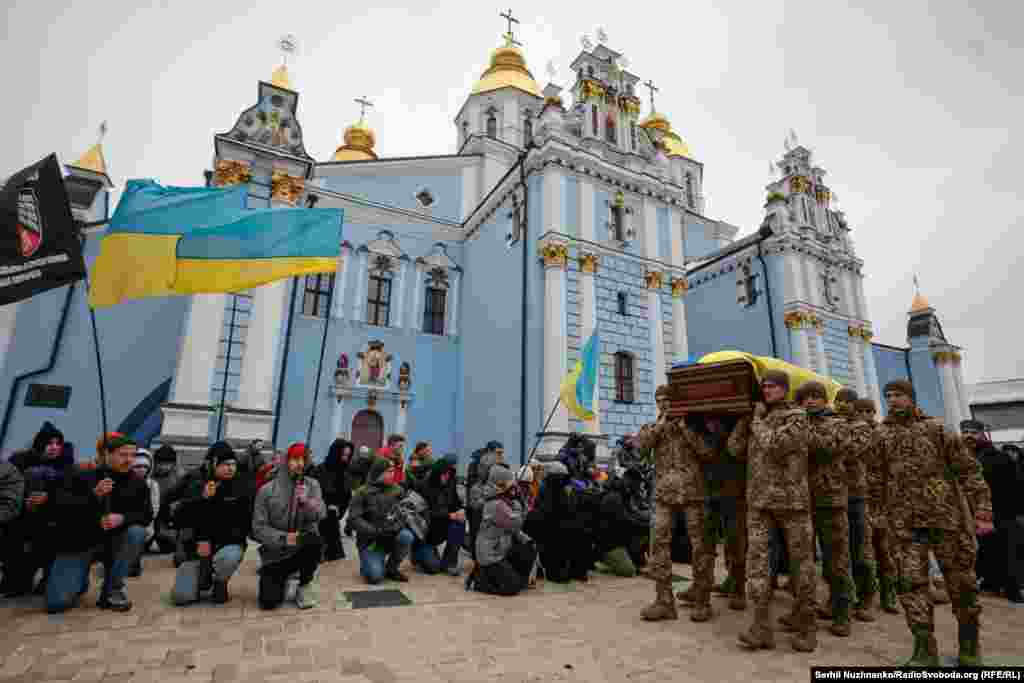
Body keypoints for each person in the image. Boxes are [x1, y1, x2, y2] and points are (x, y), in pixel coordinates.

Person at [872, 380, 993, 667]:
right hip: (905, 525)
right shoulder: (882, 434)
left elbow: (969, 471)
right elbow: (875, 477)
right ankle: (924, 650)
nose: (893, 400)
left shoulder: (936, 429)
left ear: (911, 398)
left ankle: (969, 645)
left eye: (899, 395)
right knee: (912, 587)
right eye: (888, 396)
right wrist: (876, 513)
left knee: (961, 583)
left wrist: (983, 511)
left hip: (945, 521)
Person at [738, 371, 818, 653]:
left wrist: (757, 422)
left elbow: (776, 446)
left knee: (802, 565)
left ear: (784, 389)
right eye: (764, 387)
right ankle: (760, 627)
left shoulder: (797, 416)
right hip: (759, 503)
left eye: (771, 386)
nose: (766, 391)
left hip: (791, 501)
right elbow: (735, 450)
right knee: (757, 565)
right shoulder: (759, 418)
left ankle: (807, 626)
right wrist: (743, 421)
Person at [45, 435, 152, 613]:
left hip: (115, 542)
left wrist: (122, 518)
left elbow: (146, 515)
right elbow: (60, 509)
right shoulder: (81, 475)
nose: (129, 460)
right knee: (57, 603)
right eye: (122, 455)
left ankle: (112, 589)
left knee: (137, 532)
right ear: (106, 455)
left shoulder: (138, 483)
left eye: (132, 455)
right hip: (79, 541)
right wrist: (93, 496)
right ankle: (80, 579)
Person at [638, 385, 715, 623]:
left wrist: (685, 427)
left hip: (694, 493)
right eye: (659, 401)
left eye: (667, 400)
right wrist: (661, 425)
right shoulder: (654, 427)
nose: (663, 404)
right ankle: (664, 601)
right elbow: (641, 448)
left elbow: (708, 452)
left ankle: (702, 600)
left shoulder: (694, 425)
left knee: (700, 546)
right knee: (658, 543)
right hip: (664, 493)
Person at [793, 381, 858, 637]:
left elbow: (827, 447)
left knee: (836, 560)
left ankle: (842, 611)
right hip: (801, 500)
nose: (809, 402)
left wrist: (801, 429)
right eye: (805, 398)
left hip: (830, 500)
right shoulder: (799, 422)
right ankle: (804, 609)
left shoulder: (837, 423)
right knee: (803, 561)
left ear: (824, 400)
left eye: (815, 397)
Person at [171, 442, 251, 605]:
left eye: (233, 464)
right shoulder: (197, 482)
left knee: (229, 557)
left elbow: (244, 524)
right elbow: (179, 518)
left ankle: (220, 581)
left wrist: (214, 542)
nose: (230, 468)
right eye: (225, 464)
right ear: (213, 464)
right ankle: (202, 577)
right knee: (181, 597)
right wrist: (202, 498)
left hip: (227, 544)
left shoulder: (241, 486)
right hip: (196, 548)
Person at [5, 422, 77, 596]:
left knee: (50, 536)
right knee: (13, 536)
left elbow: (72, 496)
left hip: (53, 516)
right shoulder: (20, 461)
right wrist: (24, 503)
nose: (54, 447)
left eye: (58, 443)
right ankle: (16, 581)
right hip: (22, 513)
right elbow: (8, 489)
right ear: (40, 444)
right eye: (49, 443)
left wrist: (48, 499)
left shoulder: (67, 466)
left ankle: (48, 579)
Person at [252, 442, 325, 610]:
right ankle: (280, 578)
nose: (300, 464)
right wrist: (284, 537)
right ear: (286, 461)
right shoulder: (267, 490)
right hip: (275, 552)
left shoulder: (312, 485)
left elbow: (320, 515)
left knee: (314, 540)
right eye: (295, 459)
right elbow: (258, 528)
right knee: (269, 602)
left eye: (303, 459)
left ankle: (304, 584)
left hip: (302, 548)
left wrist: (307, 502)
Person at [962, 420, 1022, 603]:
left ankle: (1011, 589)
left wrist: (1013, 512)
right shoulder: (961, 457)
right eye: (965, 432)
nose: (968, 435)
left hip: (1000, 513)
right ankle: (992, 584)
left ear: (982, 434)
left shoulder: (998, 457)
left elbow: (1016, 485)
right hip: (973, 514)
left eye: (973, 432)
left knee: (1006, 550)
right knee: (986, 551)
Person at [697, 414, 750, 611]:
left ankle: (737, 589)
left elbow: (736, 451)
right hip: (709, 490)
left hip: (734, 492)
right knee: (705, 545)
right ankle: (702, 596)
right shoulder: (703, 429)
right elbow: (703, 453)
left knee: (735, 542)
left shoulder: (742, 424)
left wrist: (730, 427)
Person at [857, 398, 900, 616]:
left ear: (874, 412)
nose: (865, 414)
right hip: (860, 501)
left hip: (881, 503)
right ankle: (866, 598)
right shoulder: (852, 432)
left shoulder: (884, 434)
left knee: (885, 552)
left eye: (869, 410)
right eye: (861, 411)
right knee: (864, 555)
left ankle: (889, 594)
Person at [472, 465, 537, 596]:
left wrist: (527, 540)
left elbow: (512, 529)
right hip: (490, 556)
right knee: (512, 588)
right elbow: (515, 523)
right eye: (509, 484)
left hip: (502, 550)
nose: (512, 487)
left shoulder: (503, 500)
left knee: (528, 549)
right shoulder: (495, 504)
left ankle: (517, 580)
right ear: (500, 484)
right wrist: (519, 506)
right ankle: (479, 581)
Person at [348, 458, 413, 584]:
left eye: (393, 471)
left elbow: (405, 512)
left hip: (391, 536)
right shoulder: (362, 492)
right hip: (370, 542)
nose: (392, 474)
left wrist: (396, 527)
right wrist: (375, 531)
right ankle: (369, 565)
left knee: (406, 536)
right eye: (388, 471)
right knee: (375, 577)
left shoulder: (398, 490)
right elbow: (354, 519)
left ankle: (392, 568)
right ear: (378, 473)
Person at [415, 454, 466, 576]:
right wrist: (449, 516)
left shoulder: (450, 482)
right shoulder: (424, 486)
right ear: (437, 474)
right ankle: (417, 553)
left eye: (449, 474)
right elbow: (423, 514)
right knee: (433, 568)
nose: (446, 477)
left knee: (460, 523)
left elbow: (456, 502)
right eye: (444, 474)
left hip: (442, 527)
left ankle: (449, 562)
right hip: (426, 534)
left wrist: (460, 510)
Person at [315, 438, 354, 561]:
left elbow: (346, 497)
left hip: (333, 517)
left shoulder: (345, 473)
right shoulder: (319, 470)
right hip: (317, 513)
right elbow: (314, 494)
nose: (345, 459)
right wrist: (327, 506)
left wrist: (338, 509)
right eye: (343, 455)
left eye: (348, 456)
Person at [128, 449, 161, 576]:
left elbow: (155, 508)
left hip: (146, 524)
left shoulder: (152, 484)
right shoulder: (126, 482)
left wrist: (146, 524)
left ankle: (134, 563)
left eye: (145, 466)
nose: (141, 469)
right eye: (137, 466)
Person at [151, 445, 183, 554]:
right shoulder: (151, 477)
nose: (163, 467)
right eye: (160, 464)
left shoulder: (179, 477)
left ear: (173, 464)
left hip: (171, 516)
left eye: (167, 464)